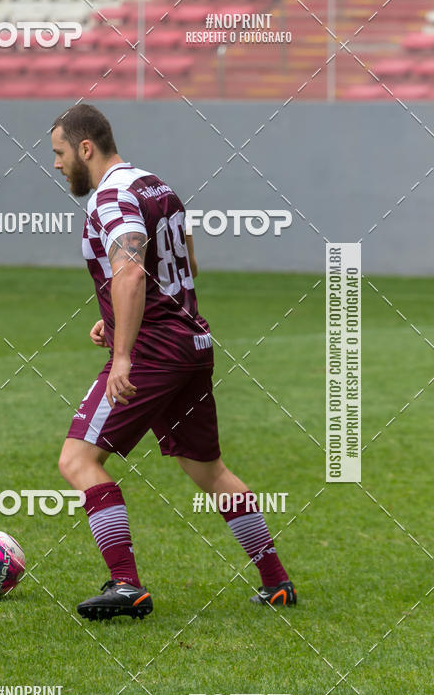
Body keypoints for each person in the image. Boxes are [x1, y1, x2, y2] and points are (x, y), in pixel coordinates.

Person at [51, 103, 296, 621]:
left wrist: (123, 353)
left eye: (59, 152)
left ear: (85, 148)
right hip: (191, 344)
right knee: (208, 470)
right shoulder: (157, 186)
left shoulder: (112, 196)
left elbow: (134, 273)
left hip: (153, 353)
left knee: (78, 461)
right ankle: (277, 583)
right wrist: (117, 320)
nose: (56, 164)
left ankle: (125, 586)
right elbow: (187, 262)